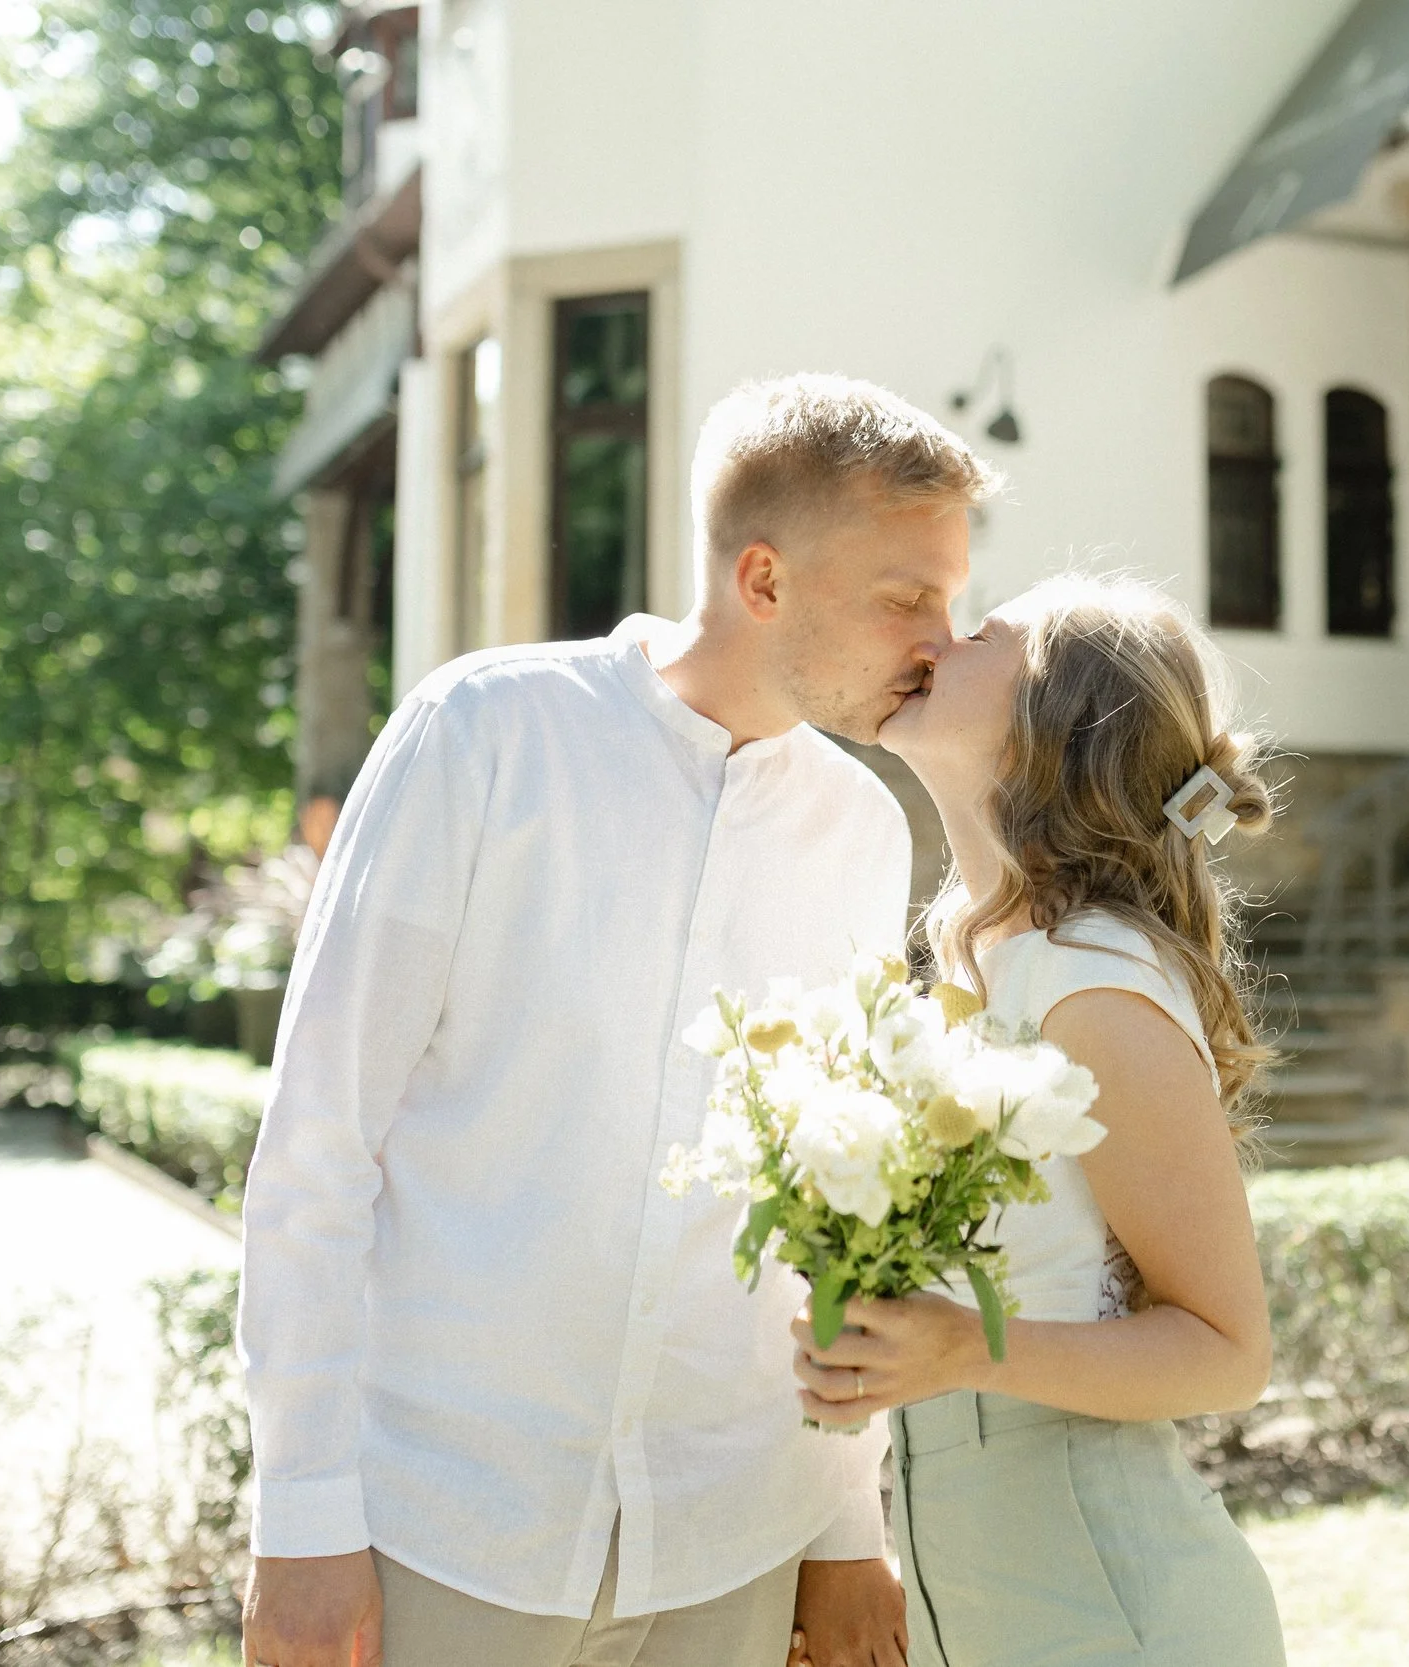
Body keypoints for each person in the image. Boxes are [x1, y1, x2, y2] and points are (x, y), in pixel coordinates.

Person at [237, 373, 1000, 1667]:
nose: (942, 638)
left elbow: (843, 1203)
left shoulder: (870, 835)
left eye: (951, 595)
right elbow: (319, 1144)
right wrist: (299, 1516)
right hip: (451, 1529)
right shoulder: (480, 738)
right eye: (907, 595)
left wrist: (838, 1522)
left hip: (730, 1540)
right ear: (763, 580)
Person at [790, 574, 1290, 1667]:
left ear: (1046, 729)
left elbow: (1226, 1350)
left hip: (1115, 1615)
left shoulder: (1093, 987)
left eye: (977, 634)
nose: (933, 638)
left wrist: (966, 1348)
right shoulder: (975, 972)